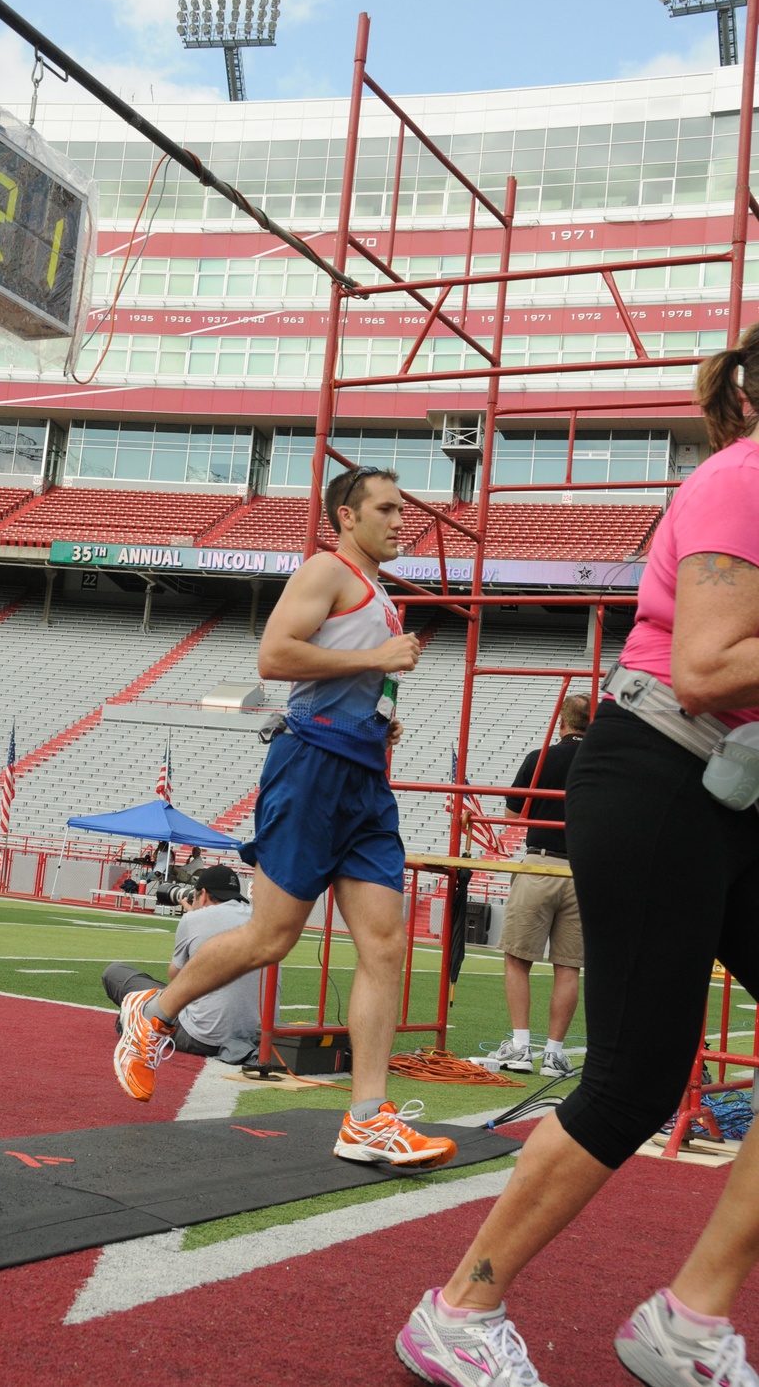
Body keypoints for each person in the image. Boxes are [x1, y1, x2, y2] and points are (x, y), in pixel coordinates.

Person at [395, 323, 759, 1387]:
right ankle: (458, 1310)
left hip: (729, 795)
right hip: (659, 774)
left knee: (638, 1073)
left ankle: (687, 1320)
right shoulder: (744, 479)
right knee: (634, 1080)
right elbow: (706, 665)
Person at [112, 465, 456, 1171]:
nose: (402, 521)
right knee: (271, 937)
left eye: (404, 511)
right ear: (346, 518)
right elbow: (273, 656)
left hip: (363, 779)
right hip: (310, 771)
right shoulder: (326, 572)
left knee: (386, 947)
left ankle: (366, 1119)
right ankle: (153, 1012)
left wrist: (378, 715)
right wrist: (377, 658)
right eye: (387, 509)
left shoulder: (380, 595)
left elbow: (352, 677)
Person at [482, 692, 590, 1078]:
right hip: (581, 871)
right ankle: (555, 1054)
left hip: (540, 862)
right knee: (568, 967)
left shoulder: (540, 756)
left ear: (561, 721)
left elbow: (513, 816)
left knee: (517, 957)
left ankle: (522, 1045)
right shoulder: (600, 761)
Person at [102, 865, 262, 1063]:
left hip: (204, 1036)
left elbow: (177, 978)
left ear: (203, 894)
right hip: (256, 1035)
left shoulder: (194, 918)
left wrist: (191, 916)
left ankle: (134, 1022)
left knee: (114, 973)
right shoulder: (261, 919)